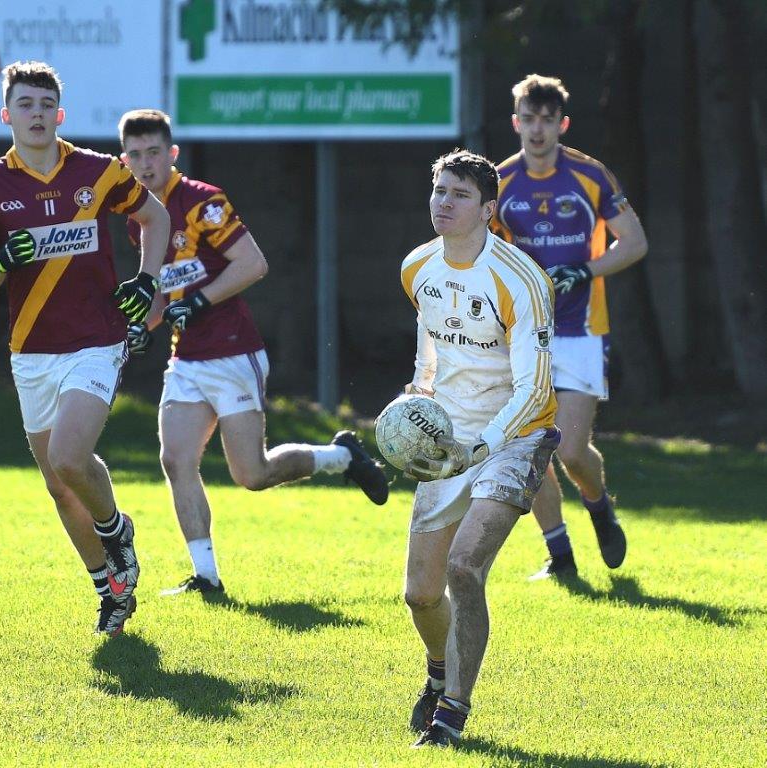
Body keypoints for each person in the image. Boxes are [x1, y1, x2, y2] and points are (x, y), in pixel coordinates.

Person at [116, 109, 389, 595]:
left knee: (253, 474)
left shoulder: (202, 202)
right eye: (135, 155)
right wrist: (141, 326)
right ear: (124, 160)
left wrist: (197, 302)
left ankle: (340, 458)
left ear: (171, 154)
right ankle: (206, 576)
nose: (145, 164)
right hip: (186, 362)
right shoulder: (140, 217)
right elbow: (159, 289)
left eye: (153, 152)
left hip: (231, 353)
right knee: (176, 460)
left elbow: (252, 264)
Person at [0, 61, 171, 636]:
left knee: (69, 458)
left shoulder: (98, 171)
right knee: (59, 487)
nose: (36, 114)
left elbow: (155, 216)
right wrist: (6, 259)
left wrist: (147, 280)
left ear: (61, 113)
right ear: (7, 115)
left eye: (45, 104)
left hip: (97, 340)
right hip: (31, 348)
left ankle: (116, 532)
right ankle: (110, 588)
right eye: (25, 105)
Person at [400, 148, 560, 748]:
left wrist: (486, 444)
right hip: (450, 438)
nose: (444, 202)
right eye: (439, 190)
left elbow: (534, 385)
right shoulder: (418, 268)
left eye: (460, 194)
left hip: (515, 435)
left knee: (465, 566)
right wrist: (418, 394)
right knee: (420, 592)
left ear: (488, 210)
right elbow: (431, 343)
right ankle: (440, 670)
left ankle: (451, 717)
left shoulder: (521, 279)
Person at [491, 74, 648, 580]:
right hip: (522, 332)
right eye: (529, 119)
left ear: (563, 124)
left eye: (547, 120)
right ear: (516, 123)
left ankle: (599, 506)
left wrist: (584, 269)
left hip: (581, 327)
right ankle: (560, 556)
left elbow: (635, 243)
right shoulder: (498, 182)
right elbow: (481, 253)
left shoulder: (590, 175)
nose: (538, 130)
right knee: (529, 446)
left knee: (573, 450)